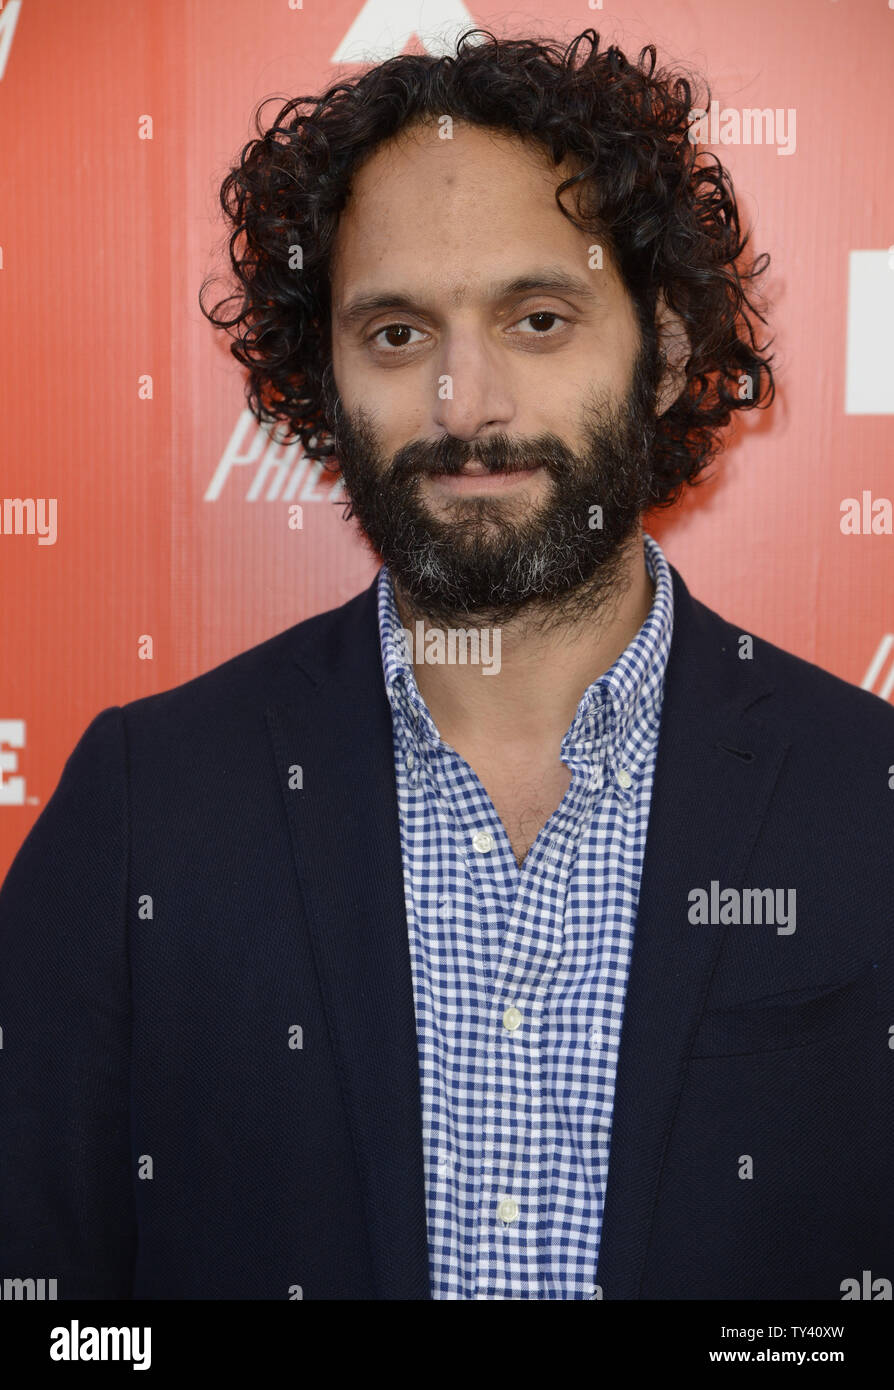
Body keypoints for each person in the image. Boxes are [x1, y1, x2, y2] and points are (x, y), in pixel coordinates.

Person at [1, 28, 891, 1301]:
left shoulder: (869, 802)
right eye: (400, 333)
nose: (464, 401)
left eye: (538, 318)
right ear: (327, 377)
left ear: (670, 354)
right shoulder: (146, 809)